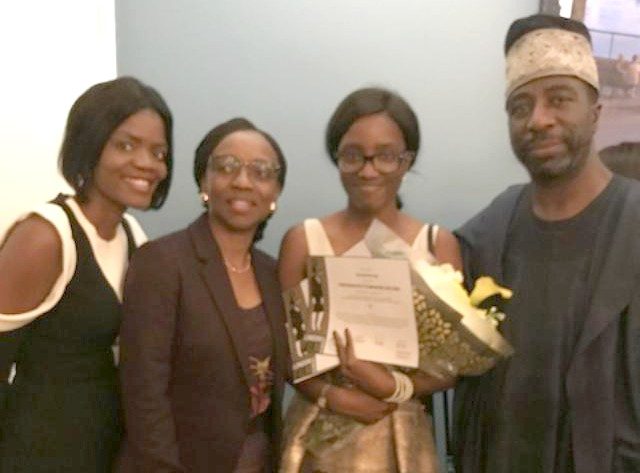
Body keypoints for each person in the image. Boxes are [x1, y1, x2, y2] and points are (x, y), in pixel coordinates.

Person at [453, 14, 640, 473]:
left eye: (559, 99)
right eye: (520, 107)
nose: (538, 120)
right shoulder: (493, 226)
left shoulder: (634, 224)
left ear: (595, 113)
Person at [279, 87, 462, 473]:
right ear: (337, 158)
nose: (368, 170)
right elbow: (288, 353)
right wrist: (333, 396)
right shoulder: (303, 240)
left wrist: (392, 387)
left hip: (401, 436)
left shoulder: (436, 244)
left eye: (385, 156)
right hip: (317, 438)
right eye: (352, 155)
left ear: (406, 160)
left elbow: (450, 365)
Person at [0, 76, 173, 472]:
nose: (147, 163)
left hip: (104, 448)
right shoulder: (45, 237)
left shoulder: (134, 236)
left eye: (159, 152)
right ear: (89, 146)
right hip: (38, 452)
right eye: (126, 145)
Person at [117, 118, 290, 473]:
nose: (243, 182)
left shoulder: (274, 274)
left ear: (275, 193)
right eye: (226, 167)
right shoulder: (162, 262)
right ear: (203, 182)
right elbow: (144, 394)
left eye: (261, 172)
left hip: (257, 459)